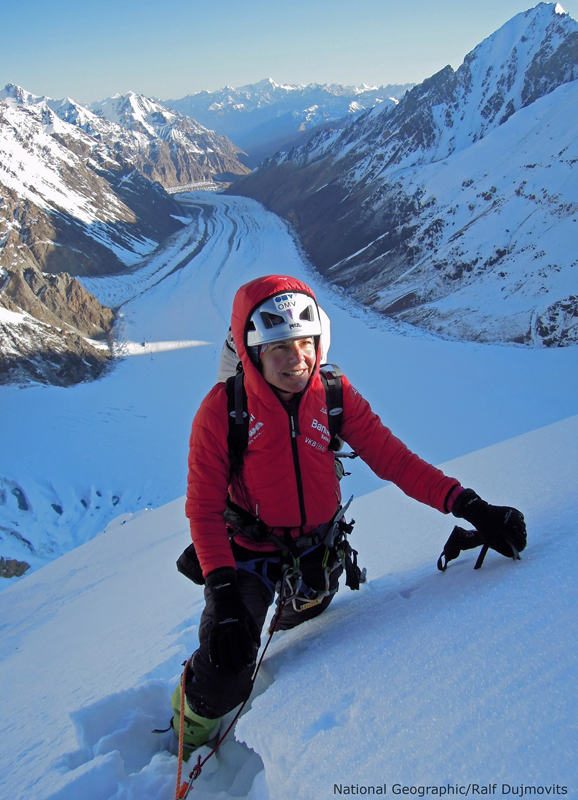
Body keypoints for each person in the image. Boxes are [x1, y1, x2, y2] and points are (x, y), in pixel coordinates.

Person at [172, 274, 527, 754]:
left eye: (305, 342)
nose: (296, 358)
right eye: (279, 347)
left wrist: (472, 506)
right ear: (252, 352)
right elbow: (204, 510)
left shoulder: (333, 396)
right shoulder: (222, 412)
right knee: (226, 666)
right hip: (248, 557)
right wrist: (223, 593)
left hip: (316, 554)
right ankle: (189, 724)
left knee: (306, 616)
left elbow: (396, 461)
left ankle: (279, 617)